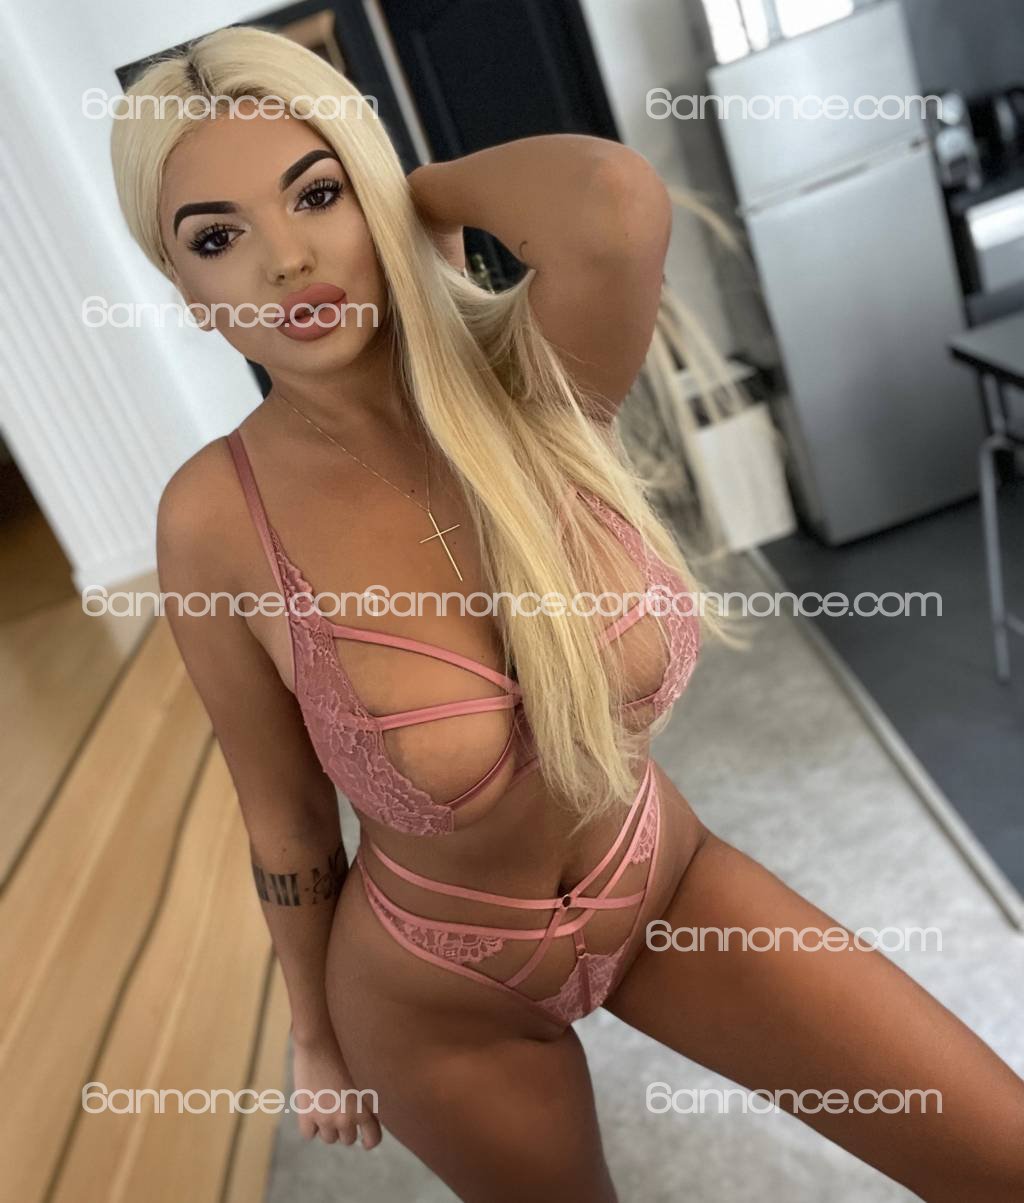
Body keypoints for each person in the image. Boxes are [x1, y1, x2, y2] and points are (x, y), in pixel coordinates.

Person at [114, 25, 1024, 1203]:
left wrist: (407, 202)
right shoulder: (210, 520)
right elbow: (284, 820)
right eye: (217, 239)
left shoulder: (532, 377)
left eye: (318, 194)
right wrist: (316, 1037)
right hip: (436, 994)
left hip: (662, 887)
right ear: (185, 293)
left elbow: (609, 202)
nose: (286, 260)